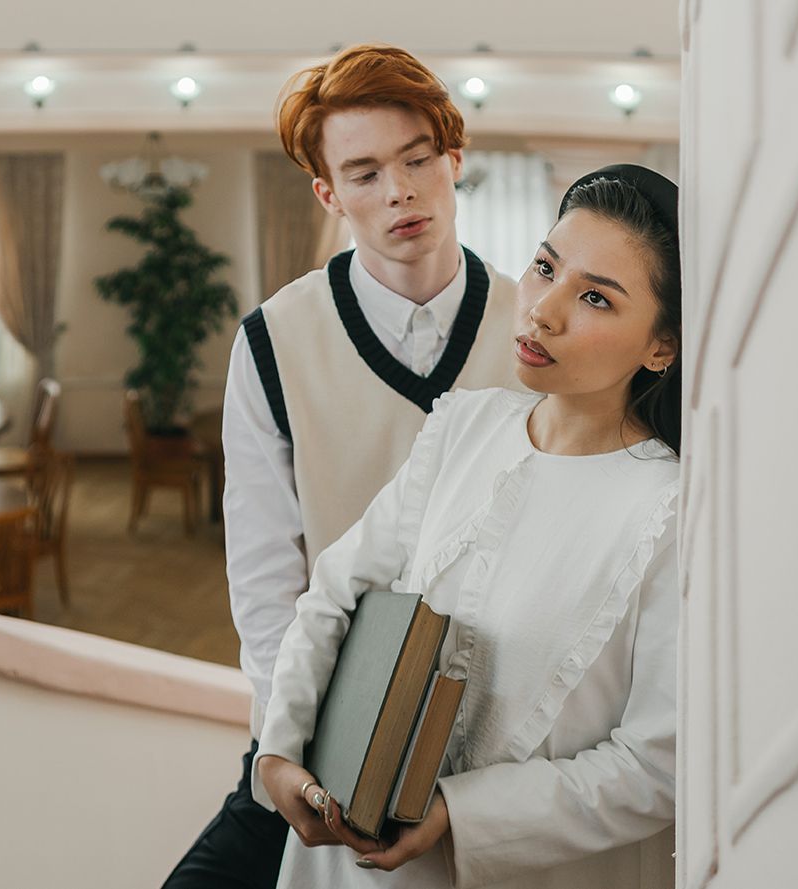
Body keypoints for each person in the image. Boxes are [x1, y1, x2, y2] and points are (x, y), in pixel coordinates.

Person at [253, 164, 685, 888]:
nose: (542, 310)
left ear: (660, 347)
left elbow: (657, 762)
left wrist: (460, 811)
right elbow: (334, 589)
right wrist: (278, 750)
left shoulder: (671, 506)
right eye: (544, 267)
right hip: (340, 852)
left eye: (595, 299)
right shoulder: (463, 425)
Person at [158, 44, 527, 889]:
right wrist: (288, 736)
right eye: (363, 173)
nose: (398, 190)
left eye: (417, 159)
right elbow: (261, 574)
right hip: (328, 705)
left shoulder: (529, 329)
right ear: (328, 194)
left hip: (491, 717)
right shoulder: (272, 342)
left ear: (453, 159)